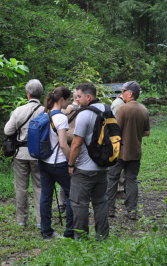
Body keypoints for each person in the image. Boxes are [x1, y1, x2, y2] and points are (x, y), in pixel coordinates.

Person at [68, 83, 109, 240]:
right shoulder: (108, 110)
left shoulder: (84, 114)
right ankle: (102, 236)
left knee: (79, 204)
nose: (77, 100)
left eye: (79, 96)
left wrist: (71, 164)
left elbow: (77, 143)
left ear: (88, 97)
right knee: (100, 203)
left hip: (84, 168)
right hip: (103, 166)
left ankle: (81, 238)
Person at [106, 81, 150, 220]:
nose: (121, 93)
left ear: (129, 93)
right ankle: (132, 211)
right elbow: (146, 132)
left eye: (123, 91)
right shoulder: (144, 110)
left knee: (112, 179)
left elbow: (114, 130)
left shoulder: (122, 110)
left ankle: (109, 210)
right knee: (132, 180)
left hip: (119, 151)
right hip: (135, 151)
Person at [4, 79, 45, 228]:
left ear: (28, 93)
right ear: (41, 93)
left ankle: (21, 220)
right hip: (39, 154)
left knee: (21, 188)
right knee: (39, 187)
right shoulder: (45, 111)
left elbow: (7, 131)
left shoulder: (19, 110)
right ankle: (41, 221)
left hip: (21, 154)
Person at [38, 86, 74, 239]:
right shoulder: (61, 118)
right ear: (61, 100)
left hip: (43, 161)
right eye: (68, 99)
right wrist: (71, 161)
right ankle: (69, 232)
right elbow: (63, 144)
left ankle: (46, 232)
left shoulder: (44, 114)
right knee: (71, 194)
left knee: (45, 196)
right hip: (58, 163)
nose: (69, 102)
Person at [58, 89, 80, 212]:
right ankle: (73, 201)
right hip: (76, 145)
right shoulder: (80, 109)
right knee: (75, 175)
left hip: (65, 144)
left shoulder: (62, 110)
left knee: (65, 175)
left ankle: (62, 203)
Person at [110, 83, 127, 193]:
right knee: (118, 162)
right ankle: (119, 188)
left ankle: (120, 186)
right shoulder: (118, 104)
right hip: (117, 138)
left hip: (120, 137)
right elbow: (116, 124)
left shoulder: (121, 103)